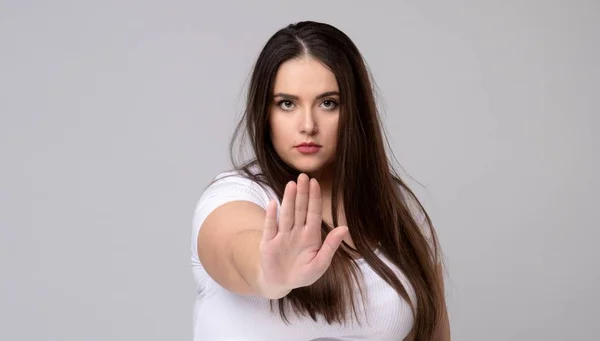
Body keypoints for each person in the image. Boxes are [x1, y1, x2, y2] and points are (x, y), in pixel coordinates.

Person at [191, 21, 450, 341]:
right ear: (265, 112)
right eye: (287, 103)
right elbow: (233, 244)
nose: (308, 125)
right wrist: (266, 272)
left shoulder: (398, 208)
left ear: (354, 111)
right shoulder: (234, 195)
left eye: (328, 103)